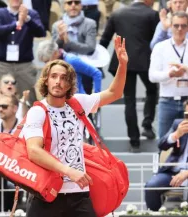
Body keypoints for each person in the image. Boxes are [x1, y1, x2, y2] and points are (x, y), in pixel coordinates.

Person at [22, 35, 128, 217]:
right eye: (53, 76)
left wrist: (122, 64)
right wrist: (68, 171)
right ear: (46, 80)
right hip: (48, 192)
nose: (58, 82)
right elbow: (34, 151)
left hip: (79, 193)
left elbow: (114, 93)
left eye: (63, 78)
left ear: (70, 83)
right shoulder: (38, 111)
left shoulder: (77, 103)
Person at [100, 0, 159, 151]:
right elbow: (158, 40)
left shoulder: (117, 13)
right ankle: (147, 124)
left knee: (129, 100)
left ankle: (134, 141)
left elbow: (105, 39)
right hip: (145, 61)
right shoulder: (152, 14)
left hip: (123, 61)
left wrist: (98, 62)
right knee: (152, 91)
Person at [0, 0, 46, 104]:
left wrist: (27, 19)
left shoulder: (31, 13)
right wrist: (16, 24)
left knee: (29, 99)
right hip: (3, 65)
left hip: (24, 65)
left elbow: (41, 32)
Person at [149, 11, 188, 139]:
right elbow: (152, 76)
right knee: (164, 141)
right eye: (176, 25)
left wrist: (185, 69)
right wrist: (170, 74)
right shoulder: (160, 47)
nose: (180, 29)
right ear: (171, 26)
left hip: (187, 99)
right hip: (167, 100)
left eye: (183, 26)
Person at [145, 100, 188, 211]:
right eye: (187, 115)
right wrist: (176, 135)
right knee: (151, 186)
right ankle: (155, 213)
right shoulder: (178, 124)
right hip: (173, 171)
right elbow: (162, 145)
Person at [51, 0, 97, 94]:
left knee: (86, 102)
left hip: (84, 65)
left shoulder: (90, 23)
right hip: (64, 69)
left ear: (81, 5)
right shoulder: (57, 25)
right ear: (64, 6)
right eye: (69, 3)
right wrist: (60, 37)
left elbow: (90, 48)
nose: (73, 5)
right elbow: (53, 49)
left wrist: (68, 42)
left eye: (76, 2)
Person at [37, 39, 102, 94]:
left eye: (47, 61)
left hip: (78, 103)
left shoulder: (72, 60)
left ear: (55, 53)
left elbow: (97, 73)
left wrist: (97, 97)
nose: (46, 64)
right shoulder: (54, 64)